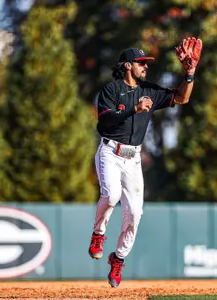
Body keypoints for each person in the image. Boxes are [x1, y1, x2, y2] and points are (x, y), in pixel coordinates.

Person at [88, 37, 203, 288]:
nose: (146, 66)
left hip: (133, 158)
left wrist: (190, 74)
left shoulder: (149, 90)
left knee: (136, 213)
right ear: (127, 65)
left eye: (146, 63)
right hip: (110, 151)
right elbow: (104, 122)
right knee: (111, 196)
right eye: (141, 62)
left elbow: (182, 98)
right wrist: (134, 110)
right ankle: (99, 234)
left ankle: (118, 259)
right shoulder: (111, 90)